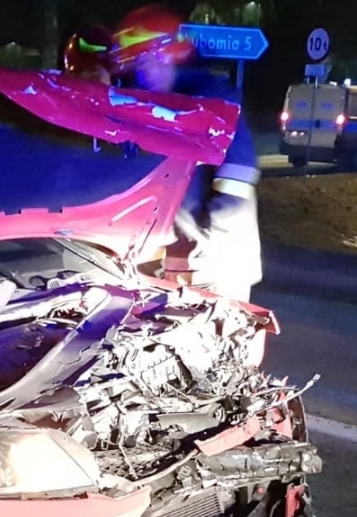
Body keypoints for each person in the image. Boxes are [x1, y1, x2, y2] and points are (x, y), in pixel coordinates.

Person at [109, 5, 262, 301]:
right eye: (135, 64)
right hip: (173, 259)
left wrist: (211, 249)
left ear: (170, 55)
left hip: (216, 263)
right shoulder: (151, 102)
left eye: (149, 59)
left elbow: (238, 174)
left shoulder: (212, 98)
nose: (141, 72)